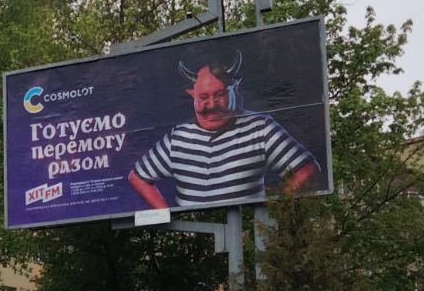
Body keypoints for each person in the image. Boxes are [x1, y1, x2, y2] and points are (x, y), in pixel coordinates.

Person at [128, 54, 318, 209]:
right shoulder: (178, 136)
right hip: (193, 239)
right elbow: (138, 176)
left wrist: (275, 208)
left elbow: (306, 168)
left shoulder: (259, 127)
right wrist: (165, 214)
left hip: (248, 231)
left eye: (220, 95)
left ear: (234, 88)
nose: (211, 104)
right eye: (203, 97)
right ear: (191, 94)